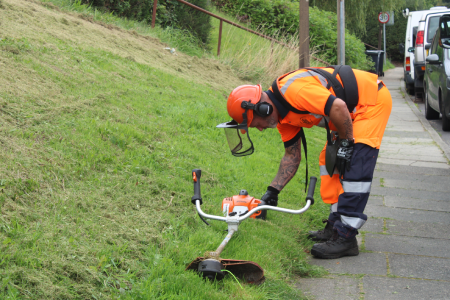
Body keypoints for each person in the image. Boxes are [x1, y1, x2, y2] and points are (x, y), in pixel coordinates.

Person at [217, 66, 392, 259]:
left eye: (256, 123)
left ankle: (346, 237)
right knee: (330, 161)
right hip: (347, 113)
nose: (259, 129)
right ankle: (335, 226)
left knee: (354, 163)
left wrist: (347, 143)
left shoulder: (294, 91)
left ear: (263, 109)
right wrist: (272, 192)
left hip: (370, 102)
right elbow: (292, 156)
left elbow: (338, 107)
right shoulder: (283, 118)